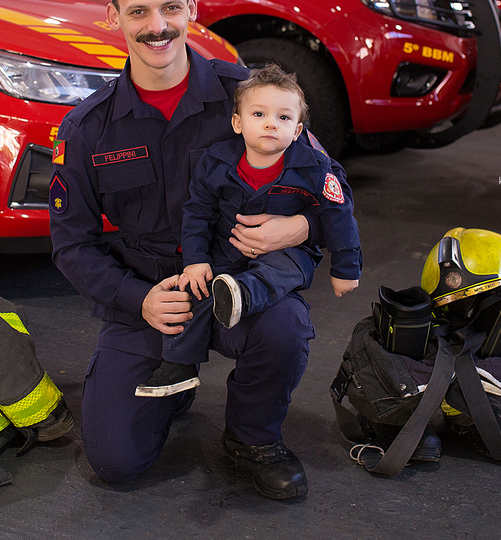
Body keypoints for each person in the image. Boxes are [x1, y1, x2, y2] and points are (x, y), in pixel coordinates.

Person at [49, 0, 345, 500]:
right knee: (115, 462)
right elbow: (72, 245)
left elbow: (331, 190)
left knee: (284, 328)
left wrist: (302, 227)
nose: (157, 26)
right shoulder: (89, 128)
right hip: (152, 297)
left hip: (237, 285)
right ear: (113, 16)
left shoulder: (253, 99)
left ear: (192, 8)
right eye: (138, 12)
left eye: (170, 8)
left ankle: (252, 438)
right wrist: (138, 299)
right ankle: (172, 384)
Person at [135, 64, 361, 399]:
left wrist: (346, 269)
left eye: (284, 118)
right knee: (193, 287)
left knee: (285, 268)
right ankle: (178, 365)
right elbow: (197, 214)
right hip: (225, 249)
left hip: (286, 252)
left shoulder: (315, 168)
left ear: (298, 131)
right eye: (259, 114)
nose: (271, 123)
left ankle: (243, 295)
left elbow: (339, 215)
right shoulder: (215, 162)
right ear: (238, 123)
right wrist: (195, 261)